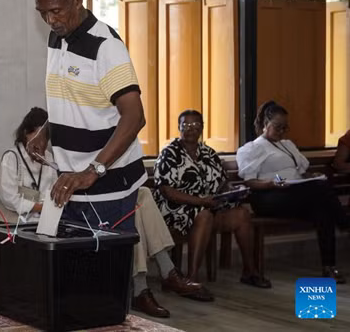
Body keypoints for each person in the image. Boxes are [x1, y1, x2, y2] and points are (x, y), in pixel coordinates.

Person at [35, 0, 147, 233]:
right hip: (70, 181)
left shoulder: (106, 45)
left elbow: (135, 117)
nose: (50, 20)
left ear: (77, 1)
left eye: (56, 10)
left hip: (107, 187)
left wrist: (92, 171)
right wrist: (45, 131)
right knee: (75, 270)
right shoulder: (57, 38)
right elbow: (76, 100)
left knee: (106, 271)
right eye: (43, 13)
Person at [154, 110, 270, 295]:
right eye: (186, 125)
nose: (191, 129)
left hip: (209, 206)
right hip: (176, 210)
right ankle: (191, 279)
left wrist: (232, 191)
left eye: (196, 125)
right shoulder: (169, 153)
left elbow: (222, 182)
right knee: (204, 215)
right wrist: (200, 201)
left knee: (241, 214)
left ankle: (250, 271)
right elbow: (166, 191)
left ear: (202, 127)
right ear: (178, 127)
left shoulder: (208, 153)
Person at [237, 100, 349, 283]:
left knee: (322, 210)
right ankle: (344, 222)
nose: (282, 132)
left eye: (285, 128)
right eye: (278, 127)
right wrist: (273, 183)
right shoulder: (251, 149)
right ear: (265, 125)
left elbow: (299, 171)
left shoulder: (287, 144)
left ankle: (329, 267)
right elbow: (250, 182)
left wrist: (310, 176)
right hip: (267, 196)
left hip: (294, 193)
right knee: (321, 190)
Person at [131, 187, 206, 318]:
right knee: (134, 211)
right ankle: (156, 280)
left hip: (111, 198)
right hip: (91, 204)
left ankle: (144, 289)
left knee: (144, 193)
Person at [0, 107, 58, 221]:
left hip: (46, 219)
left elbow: (54, 189)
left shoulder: (49, 157)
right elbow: (9, 198)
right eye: (37, 137)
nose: (41, 143)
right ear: (25, 133)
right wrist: (40, 207)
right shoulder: (11, 157)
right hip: (18, 222)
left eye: (45, 138)